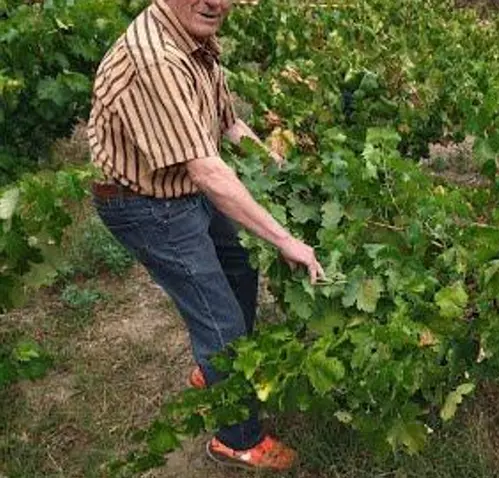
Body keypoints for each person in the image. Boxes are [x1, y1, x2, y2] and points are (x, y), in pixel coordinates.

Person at [87, 0, 324, 470]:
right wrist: (284, 238)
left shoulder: (196, 38)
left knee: (240, 265)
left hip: (181, 186)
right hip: (144, 205)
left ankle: (220, 370)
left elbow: (228, 126)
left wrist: (279, 170)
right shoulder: (156, 59)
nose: (214, 2)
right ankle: (237, 440)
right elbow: (209, 171)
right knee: (221, 323)